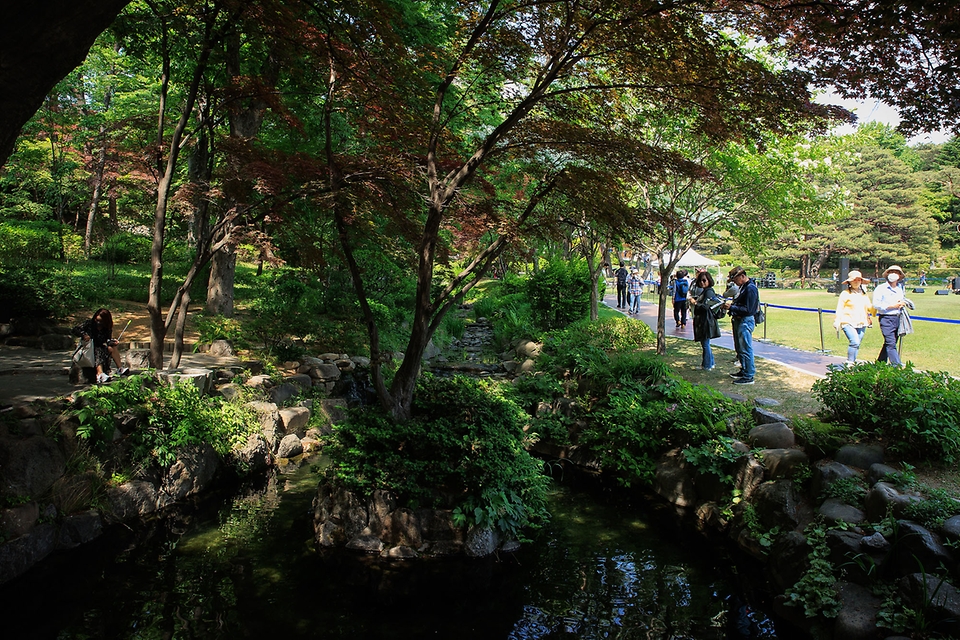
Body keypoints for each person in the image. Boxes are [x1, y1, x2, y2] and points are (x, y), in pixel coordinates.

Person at [724, 266, 760, 385]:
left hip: (745, 320)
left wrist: (732, 307)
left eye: (735, 280)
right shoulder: (744, 287)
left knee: (746, 348)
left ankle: (749, 375)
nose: (734, 283)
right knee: (740, 348)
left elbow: (749, 309)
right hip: (740, 320)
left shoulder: (750, 288)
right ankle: (744, 370)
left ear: (742, 276)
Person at [72, 308, 128, 383]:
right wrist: (84, 335)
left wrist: (113, 342)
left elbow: (107, 340)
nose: (98, 323)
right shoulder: (89, 324)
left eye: (100, 321)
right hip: (89, 349)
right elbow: (75, 329)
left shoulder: (106, 328)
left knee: (112, 347)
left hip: (100, 347)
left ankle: (120, 368)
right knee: (98, 350)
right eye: (97, 320)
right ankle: (100, 374)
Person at [833, 270, 874, 365]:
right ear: (850, 282)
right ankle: (849, 362)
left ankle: (853, 362)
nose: (856, 282)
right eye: (854, 280)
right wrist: (837, 320)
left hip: (862, 322)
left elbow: (869, 307)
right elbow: (840, 308)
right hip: (848, 321)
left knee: (857, 344)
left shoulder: (864, 294)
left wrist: (877, 308)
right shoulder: (845, 294)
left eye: (858, 280)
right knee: (854, 342)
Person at [873, 265, 908, 367]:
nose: (893, 274)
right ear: (887, 274)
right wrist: (891, 306)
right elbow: (876, 304)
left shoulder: (899, 288)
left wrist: (902, 303)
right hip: (886, 318)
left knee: (890, 343)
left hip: (897, 318)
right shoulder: (881, 288)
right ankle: (897, 366)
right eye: (891, 271)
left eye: (896, 272)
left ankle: (879, 364)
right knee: (891, 343)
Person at [691, 271, 722, 370]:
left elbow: (706, 306)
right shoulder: (705, 291)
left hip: (706, 321)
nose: (702, 282)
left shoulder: (709, 291)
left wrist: (695, 303)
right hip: (704, 320)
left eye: (704, 280)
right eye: (700, 281)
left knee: (705, 344)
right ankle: (710, 362)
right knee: (705, 343)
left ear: (709, 280)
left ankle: (707, 365)